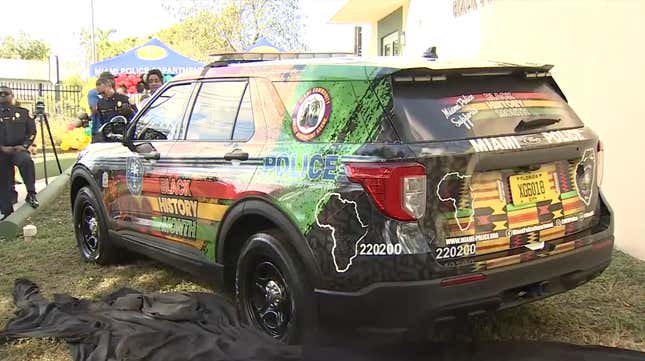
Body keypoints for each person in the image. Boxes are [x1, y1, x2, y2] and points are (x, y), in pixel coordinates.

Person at [0, 85, 38, 220]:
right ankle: (6, 210)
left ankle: (31, 193)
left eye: (6, 93)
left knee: (26, 161)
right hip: (2, 151)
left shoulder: (23, 112)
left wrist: (25, 145)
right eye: (0, 94)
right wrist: (2, 148)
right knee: (3, 177)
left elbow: (32, 131)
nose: (3, 96)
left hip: (19, 149)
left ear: (12, 95)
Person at [89, 72, 115, 143]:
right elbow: (94, 109)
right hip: (98, 129)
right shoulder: (94, 93)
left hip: (112, 129)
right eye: (111, 80)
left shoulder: (114, 92)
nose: (113, 82)